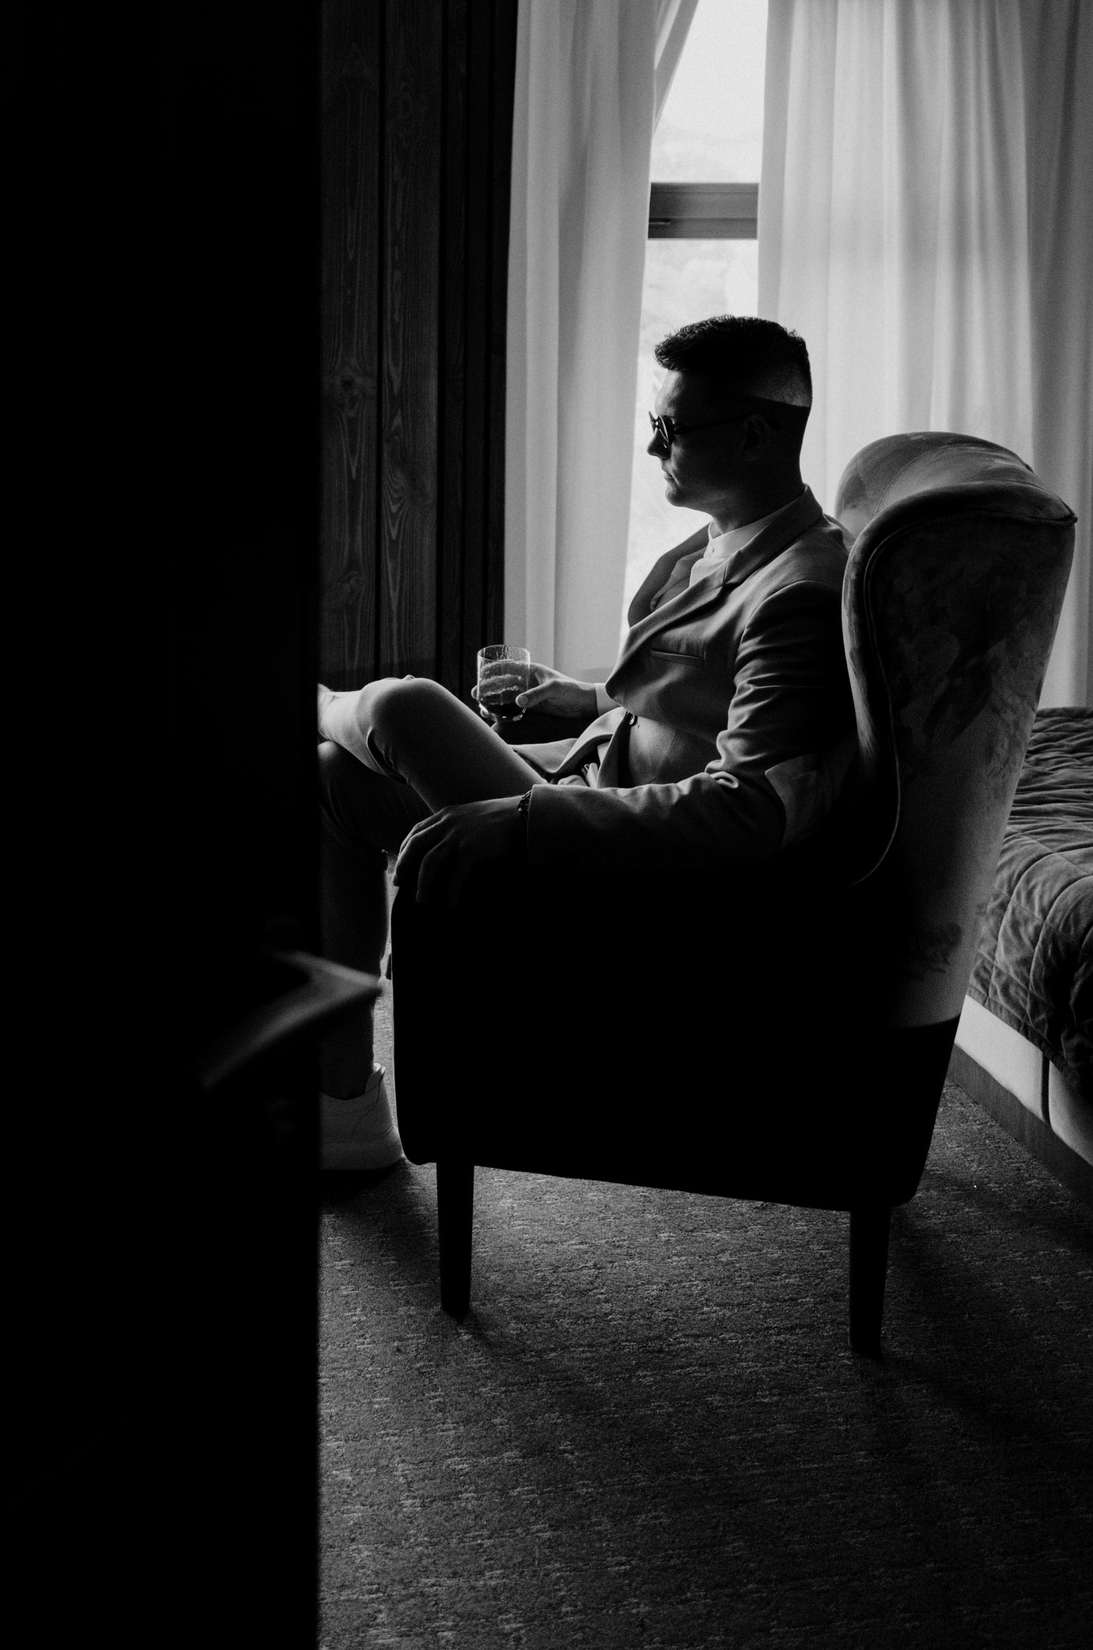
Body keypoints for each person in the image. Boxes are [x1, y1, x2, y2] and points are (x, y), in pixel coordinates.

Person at [315, 315, 858, 1170]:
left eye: (672, 430)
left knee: (405, 707)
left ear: (755, 436)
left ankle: (307, 703)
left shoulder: (802, 591)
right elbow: (698, 698)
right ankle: (343, 1106)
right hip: (595, 790)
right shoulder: (733, 542)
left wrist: (524, 820)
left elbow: (753, 809)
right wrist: (587, 696)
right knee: (333, 781)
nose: (652, 449)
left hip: (634, 880)